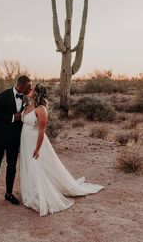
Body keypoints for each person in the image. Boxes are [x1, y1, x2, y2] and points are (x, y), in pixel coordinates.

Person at [20, 83, 104, 216]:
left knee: (35, 165)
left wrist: (37, 149)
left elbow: (42, 131)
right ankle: (31, 191)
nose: (29, 90)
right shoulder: (28, 106)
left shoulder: (41, 109)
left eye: (32, 89)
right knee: (29, 165)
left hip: (35, 141)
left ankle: (39, 195)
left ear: (37, 93)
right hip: (25, 140)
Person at [0, 75, 32, 210]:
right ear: (21, 85)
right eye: (28, 87)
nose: (29, 90)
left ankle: (9, 193)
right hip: (0, 137)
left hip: (14, 139)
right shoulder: (3, 96)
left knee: (11, 166)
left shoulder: (24, 98)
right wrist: (13, 117)